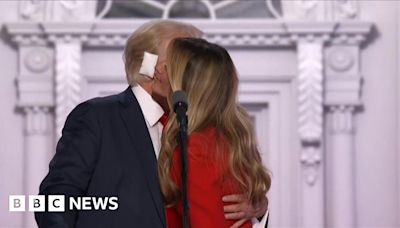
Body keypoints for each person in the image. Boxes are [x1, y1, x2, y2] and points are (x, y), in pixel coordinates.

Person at [35, 20, 268, 228]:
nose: (198, 69)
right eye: (186, 60)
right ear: (152, 67)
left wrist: (259, 210)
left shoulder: (204, 130)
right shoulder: (97, 117)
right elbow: (54, 200)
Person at [156, 37, 271, 227]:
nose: (159, 70)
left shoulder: (197, 148)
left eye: (168, 67)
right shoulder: (223, 139)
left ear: (187, 86)